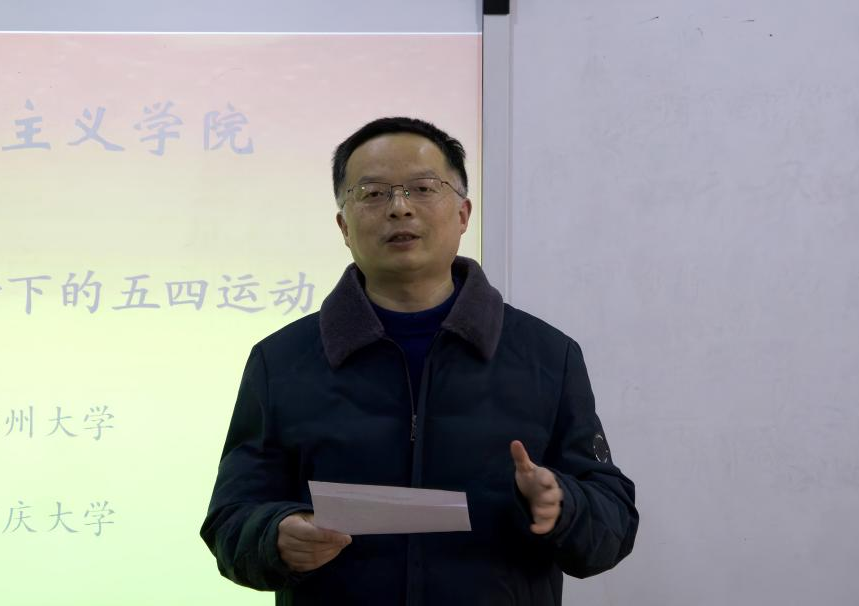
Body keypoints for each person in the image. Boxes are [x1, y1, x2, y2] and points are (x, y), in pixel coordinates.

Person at [200, 117, 638, 605]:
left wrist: (563, 505)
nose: (399, 208)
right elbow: (231, 518)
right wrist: (274, 535)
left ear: (463, 214)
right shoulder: (281, 361)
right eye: (372, 193)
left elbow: (613, 522)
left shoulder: (547, 355)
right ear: (344, 227)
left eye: (423, 188)